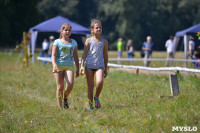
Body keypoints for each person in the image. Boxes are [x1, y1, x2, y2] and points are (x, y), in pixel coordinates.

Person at [80, 19, 108, 111]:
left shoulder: (105, 42)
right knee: (90, 86)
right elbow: (84, 54)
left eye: (100, 28)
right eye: (97, 28)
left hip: (99, 66)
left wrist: (106, 67)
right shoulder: (88, 41)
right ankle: (91, 105)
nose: (99, 29)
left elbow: (105, 55)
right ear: (92, 30)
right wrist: (81, 66)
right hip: (89, 66)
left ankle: (96, 97)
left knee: (99, 82)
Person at [51, 23, 79, 109]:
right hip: (59, 65)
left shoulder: (73, 42)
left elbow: (76, 56)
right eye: (66, 30)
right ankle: (60, 108)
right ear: (61, 31)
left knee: (70, 84)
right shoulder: (57, 42)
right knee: (60, 87)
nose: (67, 31)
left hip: (69, 66)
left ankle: (65, 97)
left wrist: (78, 68)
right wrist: (54, 64)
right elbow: (53, 55)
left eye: (69, 30)